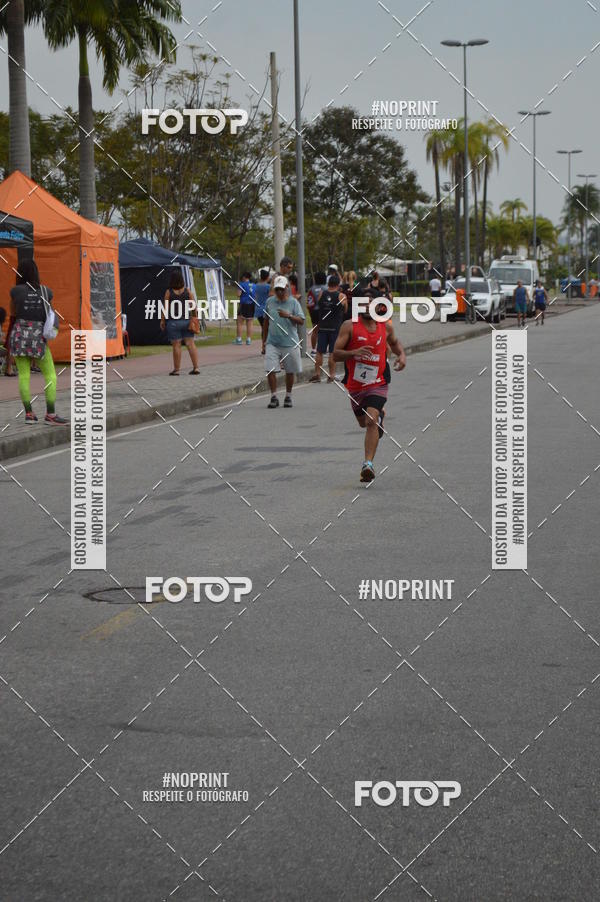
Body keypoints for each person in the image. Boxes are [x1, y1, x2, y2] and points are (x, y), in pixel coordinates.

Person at [333, 292, 406, 482]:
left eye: (370, 303)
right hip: (355, 385)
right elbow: (335, 354)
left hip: (378, 382)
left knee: (370, 421)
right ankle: (380, 416)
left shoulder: (385, 327)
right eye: (363, 303)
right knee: (362, 422)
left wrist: (402, 355)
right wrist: (354, 352)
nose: (366, 306)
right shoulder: (349, 326)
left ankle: (368, 464)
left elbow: (395, 343)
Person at [9, 258, 67, 425]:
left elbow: (13, 314)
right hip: (38, 338)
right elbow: (48, 315)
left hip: (19, 335)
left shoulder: (15, 292)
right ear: (36, 272)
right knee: (50, 374)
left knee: (24, 375)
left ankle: (28, 414)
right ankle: (50, 414)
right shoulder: (46, 291)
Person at [262, 274, 305, 408]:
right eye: (277, 289)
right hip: (272, 342)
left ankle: (288, 395)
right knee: (270, 369)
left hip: (290, 342)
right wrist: (263, 342)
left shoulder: (293, 303)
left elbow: (302, 321)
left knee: (290, 371)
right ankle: (274, 396)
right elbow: (266, 322)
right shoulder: (270, 302)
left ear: (287, 288)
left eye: (281, 289)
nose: (279, 292)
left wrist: (289, 316)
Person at [160, 268, 200, 374]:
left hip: (173, 323)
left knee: (176, 345)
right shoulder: (188, 291)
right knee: (190, 344)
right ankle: (196, 368)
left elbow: (165, 308)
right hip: (187, 322)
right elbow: (193, 307)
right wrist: (195, 319)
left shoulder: (169, 292)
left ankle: (177, 370)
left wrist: (162, 321)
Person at [310, 272, 347, 383]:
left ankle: (317, 373)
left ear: (329, 283)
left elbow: (319, 305)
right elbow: (345, 309)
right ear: (338, 284)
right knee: (332, 352)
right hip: (335, 327)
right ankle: (331, 375)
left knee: (319, 352)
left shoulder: (322, 293)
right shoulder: (341, 296)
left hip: (323, 326)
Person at [306, 270, 327, 353]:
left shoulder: (312, 288)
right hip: (323, 311)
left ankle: (313, 349)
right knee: (324, 331)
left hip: (314, 311)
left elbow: (309, 301)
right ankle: (322, 349)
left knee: (315, 330)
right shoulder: (326, 288)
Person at [234, 271, 256, 345]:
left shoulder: (241, 284)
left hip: (243, 304)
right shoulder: (254, 285)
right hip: (252, 304)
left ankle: (239, 339)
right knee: (250, 322)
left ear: (244, 277)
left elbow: (238, 294)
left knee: (240, 322)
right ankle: (248, 339)